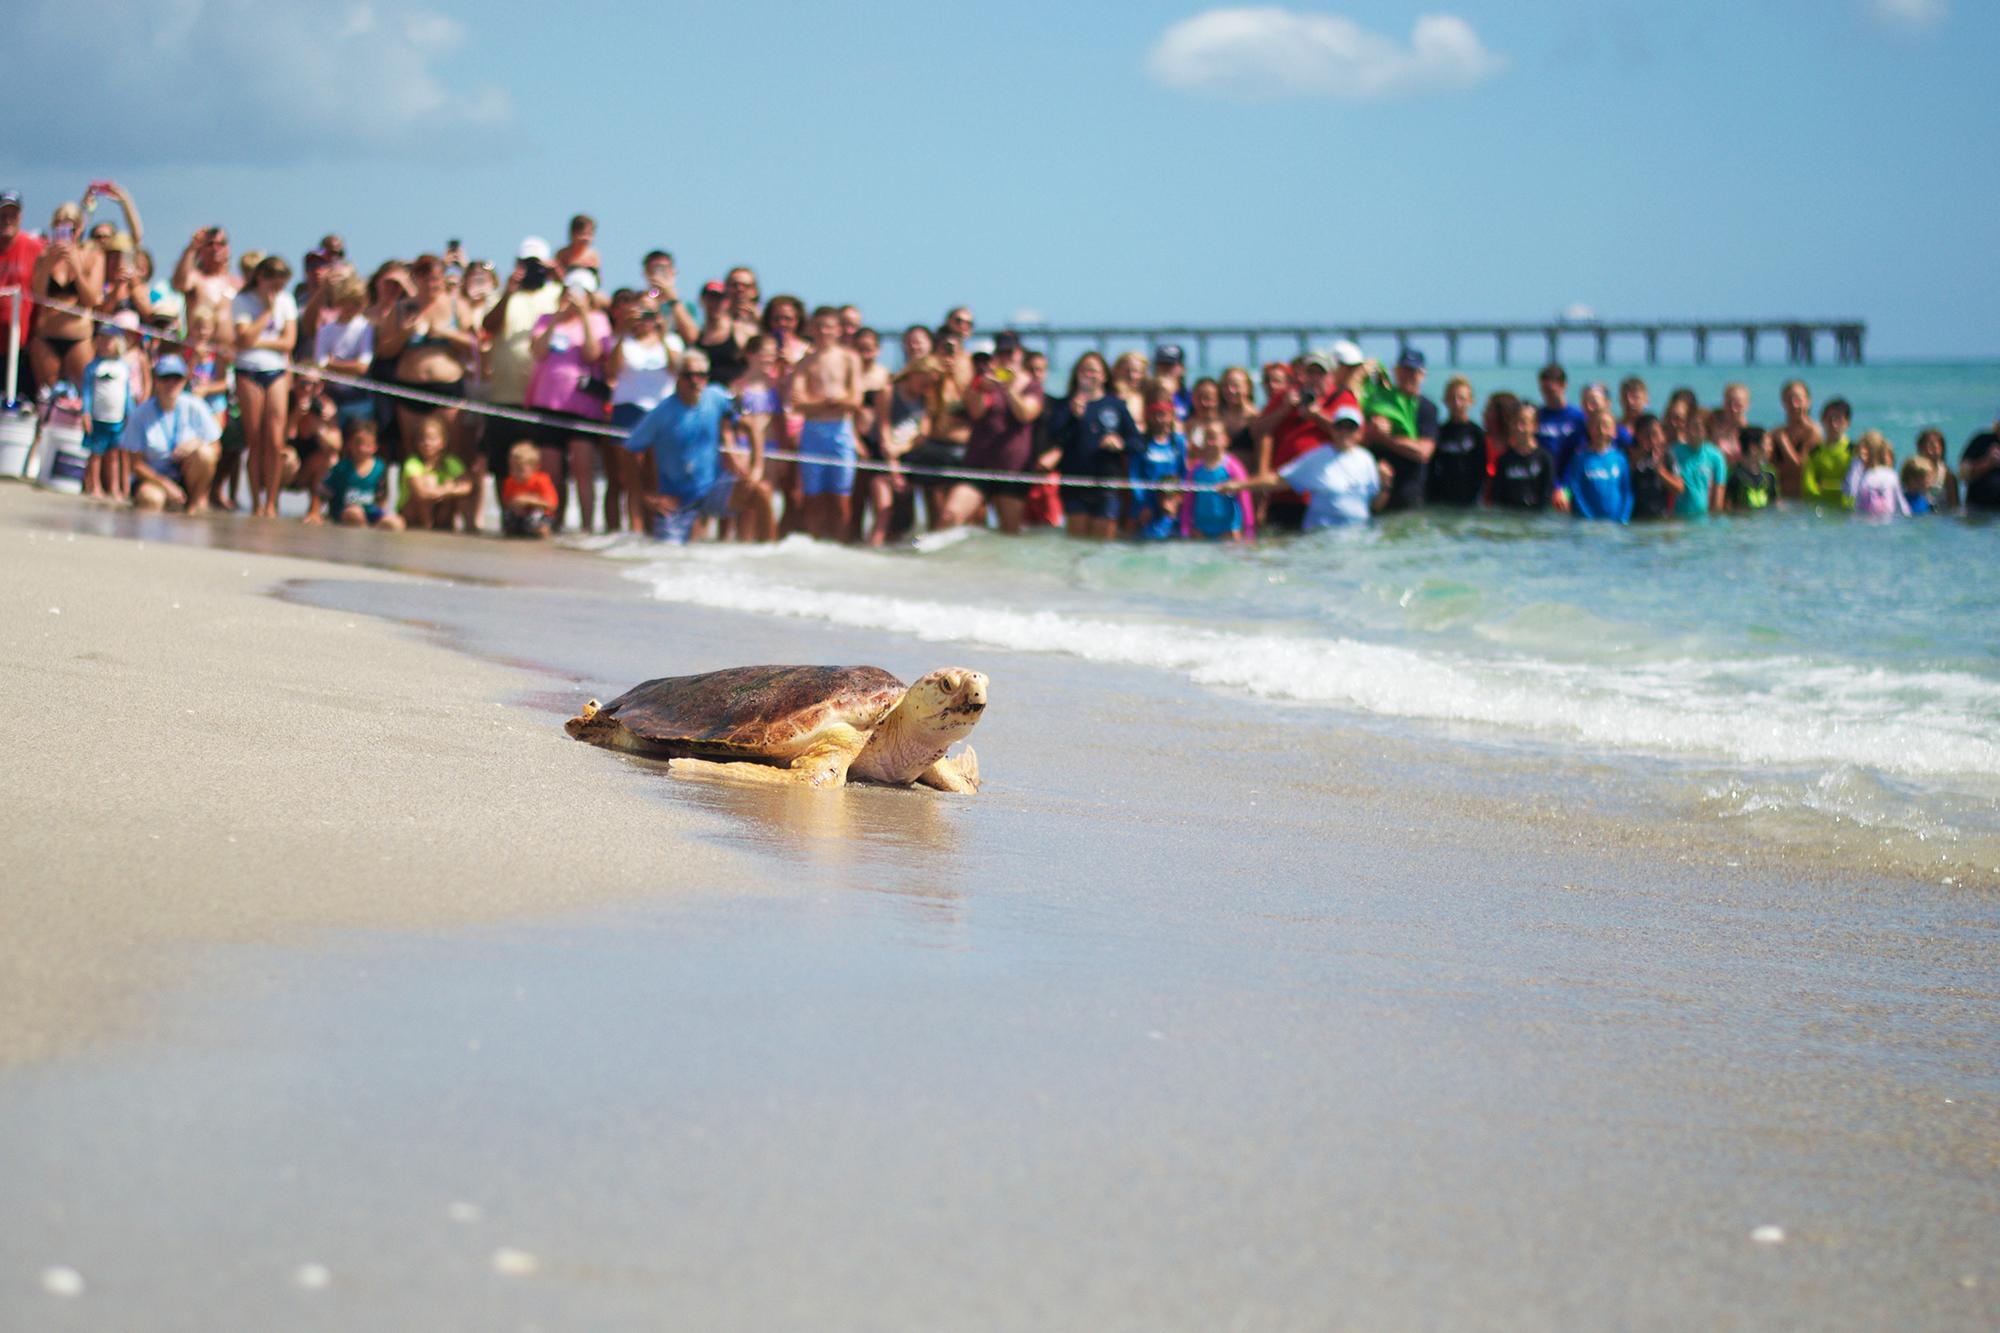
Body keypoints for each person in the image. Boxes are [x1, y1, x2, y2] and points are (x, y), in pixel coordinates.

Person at [622, 349, 775, 544]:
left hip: (712, 487)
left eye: (701, 375)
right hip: (676, 499)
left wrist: (756, 469)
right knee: (665, 556)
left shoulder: (716, 396)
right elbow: (629, 451)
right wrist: (646, 496)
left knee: (762, 491)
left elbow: (751, 425)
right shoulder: (661, 413)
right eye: (689, 375)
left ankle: (768, 554)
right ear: (678, 377)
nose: (695, 381)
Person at [376, 253, 475, 516]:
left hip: (446, 388)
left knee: (448, 454)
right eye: (427, 278)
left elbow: (473, 344)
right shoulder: (402, 308)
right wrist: (406, 333)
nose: (433, 283)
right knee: (413, 452)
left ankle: (447, 515)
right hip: (410, 387)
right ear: (417, 279)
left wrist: (444, 332)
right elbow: (384, 350)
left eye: (437, 278)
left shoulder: (456, 306)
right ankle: (412, 510)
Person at [480, 237, 564, 511]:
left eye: (536, 265)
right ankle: (508, 518)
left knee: (541, 469)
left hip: (539, 399)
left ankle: (548, 520)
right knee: (503, 465)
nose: (531, 269)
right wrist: (508, 291)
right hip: (504, 396)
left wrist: (561, 277)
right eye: (526, 264)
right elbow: (488, 326)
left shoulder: (555, 293)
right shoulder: (502, 294)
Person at [526, 268, 613, 531]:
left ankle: (586, 527)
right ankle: (555, 523)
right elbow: (537, 352)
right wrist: (558, 319)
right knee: (551, 472)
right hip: (548, 404)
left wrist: (584, 315)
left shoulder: (598, 320)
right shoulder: (545, 319)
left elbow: (592, 354)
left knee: (583, 472)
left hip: (583, 408)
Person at [939, 331, 1044, 534]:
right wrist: (980, 386)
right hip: (978, 465)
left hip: (1013, 471)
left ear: (1020, 353)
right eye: (1002, 353)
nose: (1007, 358)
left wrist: (1009, 389)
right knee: (950, 514)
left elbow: (1026, 414)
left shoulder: (1032, 385)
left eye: (1010, 353)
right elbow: (976, 413)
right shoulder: (986, 381)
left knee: (1010, 532)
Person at [1232, 399, 1387, 529]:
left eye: (1350, 428)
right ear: (1332, 429)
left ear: (1359, 432)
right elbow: (1278, 480)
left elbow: (1376, 505)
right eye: (1340, 427)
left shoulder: (1366, 459)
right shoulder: (1318, 457)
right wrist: (1239, 485)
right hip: (1324, 535)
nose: (1345, 432)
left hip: (1358, 534)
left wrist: (1386, 484)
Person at [788, 306, 865, 540]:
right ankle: (816, 543)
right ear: (811, 328)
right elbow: (797, 401)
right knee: (813, 497)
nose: (823, 332)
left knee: (841, 496)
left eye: (829, 327)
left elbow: (855, 400)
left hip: (840, 431)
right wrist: (829, 402)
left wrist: (825, 402)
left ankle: (840, 543)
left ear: (839, 330)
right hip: (812, 431)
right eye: (819, 326)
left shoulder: (849, 358)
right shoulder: (805, 362)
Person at [230, 255, 298, 518]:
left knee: (275, 439)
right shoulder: (243, 301)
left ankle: (271, 501)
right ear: (261, 278)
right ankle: (257, 504)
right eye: (274, 281)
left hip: (276, 371)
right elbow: (244, 337)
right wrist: (268, 312)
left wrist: (257, 341)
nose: (278, 288)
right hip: (248, 370)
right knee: (255, 438)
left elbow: (288, 342)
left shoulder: (287, 301)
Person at [1040, 351, 1133, 541]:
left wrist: (1120, 443)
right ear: (1076, 374)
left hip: (1107, 483)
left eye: (1094, 371)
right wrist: (1072, 416)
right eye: (1084, 371)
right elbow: (1054, 437)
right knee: (1077, 545)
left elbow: (1137, 442)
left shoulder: (1116, 405)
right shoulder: (1064, 405)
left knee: (1103, 547)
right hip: (1075, 483)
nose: (1089, 375)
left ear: (1104, 376)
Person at [120, 355, 221, 512]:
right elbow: (135, 464)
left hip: (185, 475)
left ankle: (192, 508)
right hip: (154, 478)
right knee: (151, 499)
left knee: (205, 454)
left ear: (184, 381)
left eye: (177, 378)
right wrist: (164, 484)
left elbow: (216, 447)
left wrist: (196, 443)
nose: (171, 383)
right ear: (156, 380)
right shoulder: (140, 414)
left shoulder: (196, 406)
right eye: (165, 378)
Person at [29, 200, 102, 391]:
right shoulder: (44, 255)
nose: (67, 231)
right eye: (61, 225)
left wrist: (76, 270)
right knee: (47, 399)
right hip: (47, 337)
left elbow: (90, 300)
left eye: (72, 226)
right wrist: (47, 265)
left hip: (79, 338)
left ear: (80, 228)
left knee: (81, 398)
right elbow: (38, 297)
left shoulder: (92, 255)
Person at [1362, 347, 1438, 512]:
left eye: (1413, 371)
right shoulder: (1380, 401)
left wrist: (1386, 439)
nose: (1408, 376)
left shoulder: (1426, 407)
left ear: (1422, 374)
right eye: (1404, 371)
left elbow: (1423, 452)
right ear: (1396, 372)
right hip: (1377, 490)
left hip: (1409, 493)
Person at [313, 276, 375, 433]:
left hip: (360, 399)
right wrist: (348, 366)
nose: (353, 307)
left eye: (357, 302)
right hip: (332, 398)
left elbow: (362, 367)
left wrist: (332, 364)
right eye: (350, 301)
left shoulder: (365, 327)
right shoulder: (325, 330)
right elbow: (319, 366)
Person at [78, 322, 133, 499]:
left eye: (108, 340)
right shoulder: (92, 367)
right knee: (96, 454)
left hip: (116, 419)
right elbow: (86, 392)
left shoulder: (123, 367)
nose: (104, 343)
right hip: (97, 417)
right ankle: (94, 485)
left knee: (114, 455)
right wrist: (85, 412)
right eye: (100, 339)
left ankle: (114, 487)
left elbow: (127, 394)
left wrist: (129, 414)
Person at [322, 420, 404, 529]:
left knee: (397, 523)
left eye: (367, 445)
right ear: (349, 444)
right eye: (358, 443)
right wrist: (315, 512)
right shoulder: (341, 467)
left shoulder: (380, 467)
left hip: (371, 512)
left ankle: (372, 530)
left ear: (375, 447)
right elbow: (322, 491)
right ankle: (367, 531)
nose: (362, 448)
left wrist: (383, 515)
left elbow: (382, 495)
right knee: (354, 513)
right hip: (346, 512)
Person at [1181, 419, 1253, 541]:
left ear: (1226, 440)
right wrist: (1185, 531)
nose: (1210, 442)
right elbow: (1187, 502)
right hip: (1200, 531)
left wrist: (1249, 532)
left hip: (1228, 531)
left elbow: (1245, 500)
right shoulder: (1195, 469)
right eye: (1206, 438)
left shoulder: (1234, 467)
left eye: (1214, 437)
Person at [400, 415, 475, 530]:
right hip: (413, 512)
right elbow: (421, 493)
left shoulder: (451, 462)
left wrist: (448, 490)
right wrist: (444, 489)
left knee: (460, 493)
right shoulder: (413, 463)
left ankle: (471, 527)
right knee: (430, 481)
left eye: (432, 439)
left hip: (440, 505)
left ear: (443, 442)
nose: (427, 443)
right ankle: (427, 527)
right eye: (422, 439)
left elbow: (468, 486)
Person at [1558, 408, 1632, 522]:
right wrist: (1588, 518)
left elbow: (1626, 492)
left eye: (1606, 426)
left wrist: (1623, 518)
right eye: (1597, 426)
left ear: (1614, 431)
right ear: (1589, 429)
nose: (1601, 431)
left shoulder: (1620, 459)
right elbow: (1576, 491)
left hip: (1616, 525)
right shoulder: (1580, 459)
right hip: (1588, 523)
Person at [1426, 375, 1486, 506]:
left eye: (1462, 399)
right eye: (1452, 398)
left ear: (1471, 401)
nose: (1457, 403)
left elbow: (1482, 471)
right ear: (1445, 401)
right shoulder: (1439, 432)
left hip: (1470, 500)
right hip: (1442, 500)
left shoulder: (1477, 433)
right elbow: (1431, 468)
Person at [1490, 402, 1556, 511]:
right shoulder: (1504, 460)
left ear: (1535, 426)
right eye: (1515, 422)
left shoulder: (1544, 459)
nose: (1519, 428)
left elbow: (1547, 494)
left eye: (1524, 423)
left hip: (1535, 516)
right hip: (1510, 516)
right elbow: (1498, 496)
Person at [1669, 407, 1728, 519]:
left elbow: (1718, 494)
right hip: (1678, 519)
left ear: (1706, 430)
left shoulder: (1716, 456)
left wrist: (1714, 520)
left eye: (1696, 428)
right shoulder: (1674, 452)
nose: (1691, 432)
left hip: (1704, 519)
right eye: (1689, 427)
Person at [1767, 379, 1821, 499]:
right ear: (1783, 403)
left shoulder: (1813, 432)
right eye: (1789, 399)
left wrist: (1783, 441)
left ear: (1808, 401)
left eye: (1798, 399)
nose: (1794, 404)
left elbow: (1801, 468)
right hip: (1781, 499)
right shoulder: (1776, 432)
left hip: (1803, 501)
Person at [1534, 363, 1589, 480]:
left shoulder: (1578, 417)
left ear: (1564, 386)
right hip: (1545, 478)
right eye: (1544, 390)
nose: (1547, 395)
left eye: (1551, 391)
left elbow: (1581, 451)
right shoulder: (1538, 416)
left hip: (1571, 477)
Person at [1626, 414, 1683, 521]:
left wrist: (1660, 471)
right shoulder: (1630, 455)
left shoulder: (1667, 456)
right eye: (1647, 436)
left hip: (1661, 517)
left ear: (1662, 435)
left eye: (1655, 435)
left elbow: (1679, 488)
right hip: (1636, 519)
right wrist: (1634, 463)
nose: (1652, 440)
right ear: (1638, 436)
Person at [1801, 397, 1854, 508]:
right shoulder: (1814, 453)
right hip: (1821, 510)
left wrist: (1825, 487)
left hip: (1848, 513)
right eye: (1829, 419)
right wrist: (1840, 488)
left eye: (1838, 419)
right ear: (1822, 420)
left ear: (1847, 422)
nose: (1833, 424)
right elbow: (1808, 487)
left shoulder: (1854, 451)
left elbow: (1857, 487)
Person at [500, 440, 560, 538]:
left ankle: (543, 533)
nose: (515, 473)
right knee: (508, 515)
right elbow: (507, 501)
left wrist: (529, 501)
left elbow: (552, 505)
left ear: (535, 467)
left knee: (536, 514)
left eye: (520, 470)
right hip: (520, 514)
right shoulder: (510, 481)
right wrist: (516, 504)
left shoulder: (541, 481)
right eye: (512, 469)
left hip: (540, 515)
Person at [1846, 431, 1909, 520]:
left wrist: (1855, 465)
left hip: (1865, 522)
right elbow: (1903, 506)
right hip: (1888, 522)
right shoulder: (1891, 475)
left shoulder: (1863, 477)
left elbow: (1851, 493)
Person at [1726, 430, 1779, 513]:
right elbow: (1727, 509)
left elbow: (1774, 507)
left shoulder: (1769, 477)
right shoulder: (1734, 477)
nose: (1770, 449)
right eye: (1767, 445)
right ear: (1753, 448)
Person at [1911, 428, 1958, 512]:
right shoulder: (1912, 473)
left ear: (1942, 449)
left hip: (1941, 520)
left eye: (1934, 447)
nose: (1929, 451)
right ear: (1919, 449)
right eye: (1925, 447)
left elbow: (1955, 507)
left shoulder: (1948, 476)